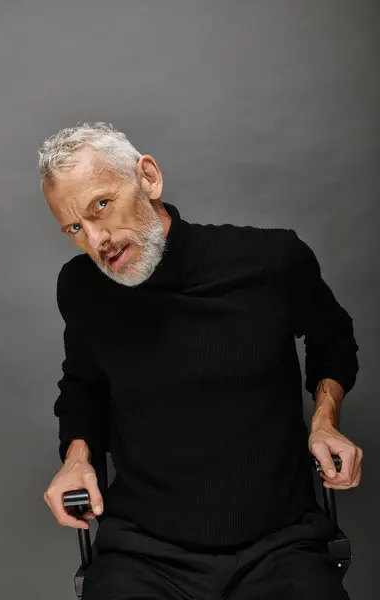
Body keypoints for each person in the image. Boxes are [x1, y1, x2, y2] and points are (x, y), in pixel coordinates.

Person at [41, 122, 362, 600]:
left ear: (147, 178)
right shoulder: (83, 287)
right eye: (74, 227)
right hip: (142, 555)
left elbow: (332, 339)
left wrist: (324, 421)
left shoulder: (272, 261)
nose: (96, 239)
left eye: (101, 206)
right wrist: (76, 457)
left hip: (280, 544)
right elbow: (83, 384)